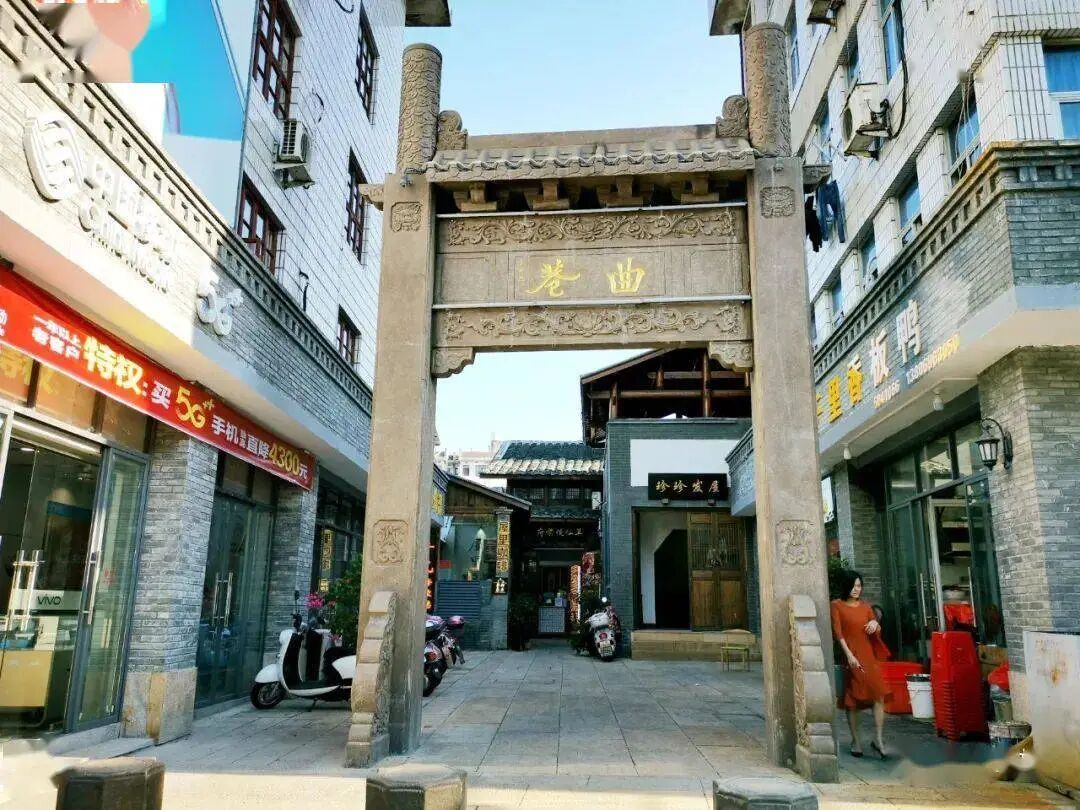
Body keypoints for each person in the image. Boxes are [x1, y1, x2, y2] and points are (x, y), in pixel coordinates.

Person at [831, 570, 890, 759]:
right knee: (853, 700)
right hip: (852, 656)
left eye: (859, 586)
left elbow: (875, 630)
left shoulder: (866, 607)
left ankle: (878, 739)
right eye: (853, 586)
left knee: (879, 694)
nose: (857, 589)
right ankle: (856, 741)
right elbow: (838, 633)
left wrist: (875, 625)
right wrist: (848, 655)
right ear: (846, 586)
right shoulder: (836, 605)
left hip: (868, 657)